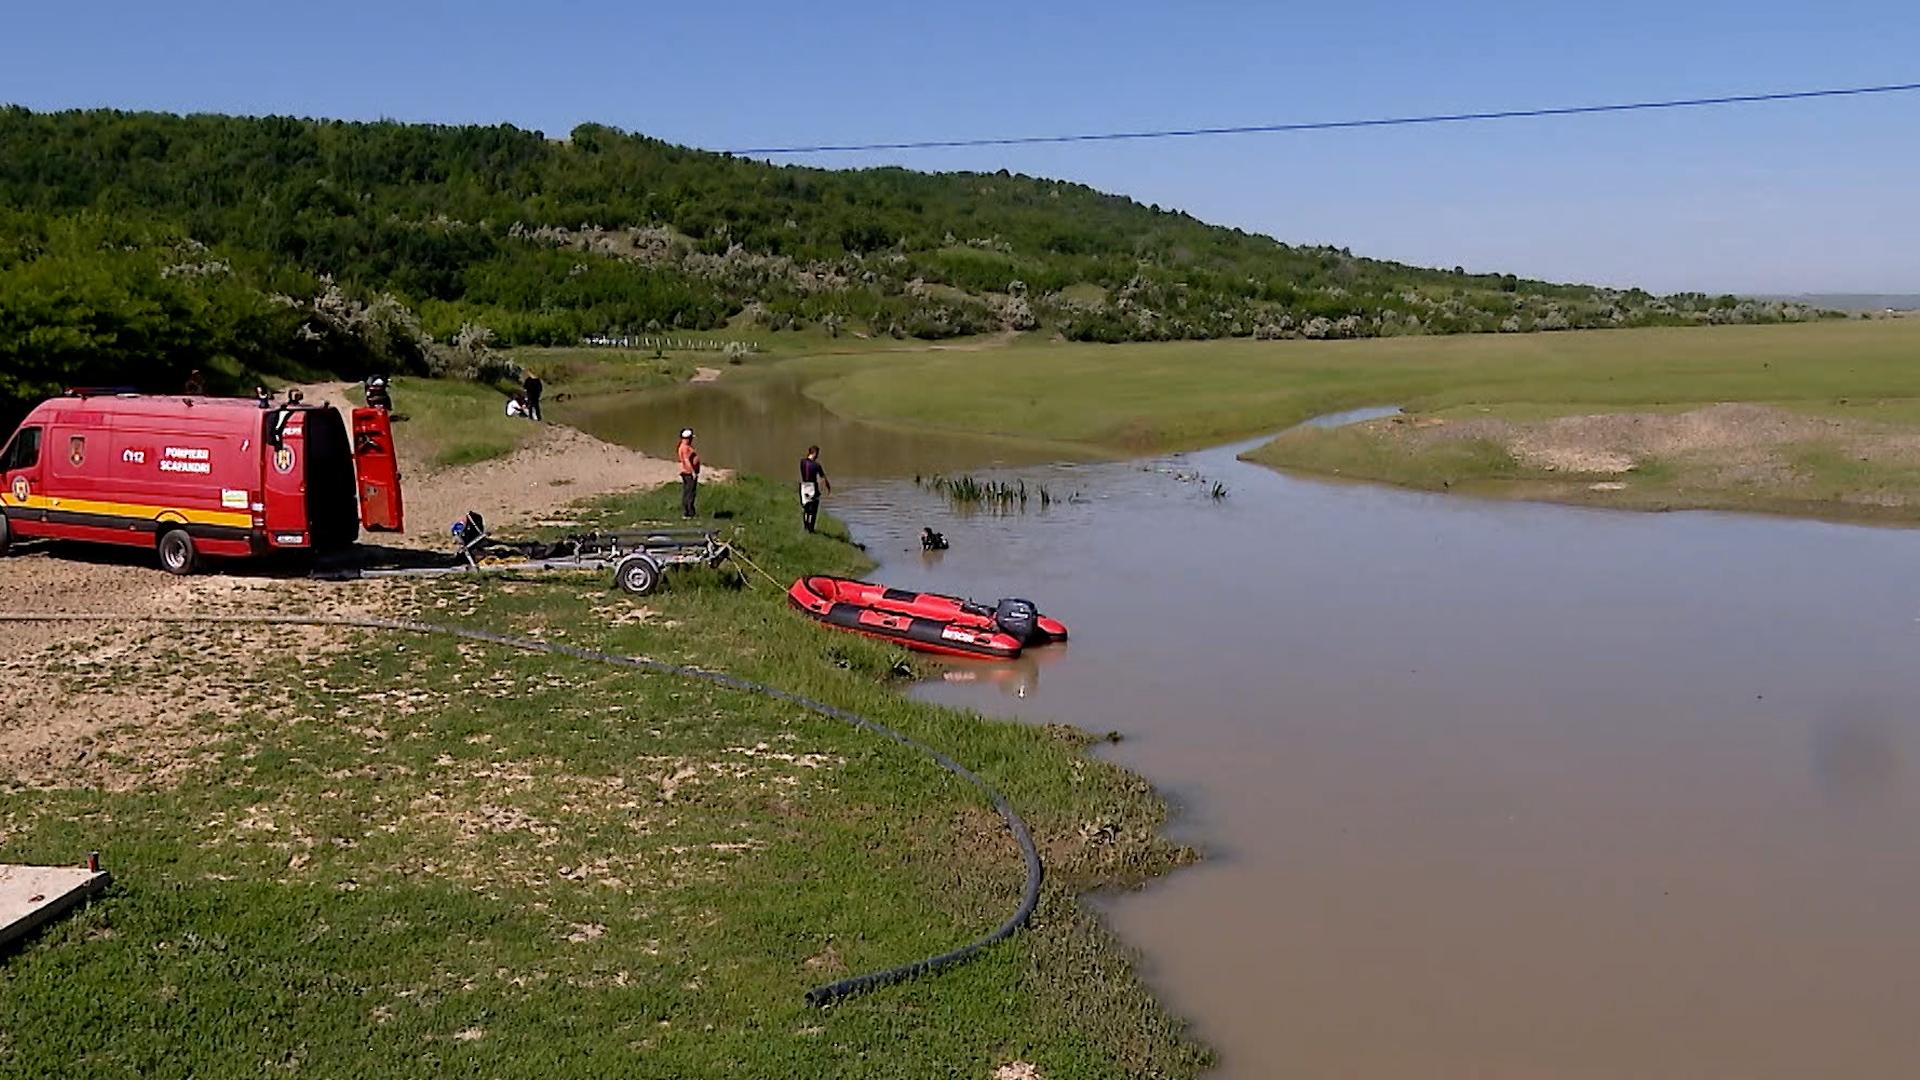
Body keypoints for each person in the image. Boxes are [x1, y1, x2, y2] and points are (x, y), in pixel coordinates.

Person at [799, 445, 830, 533]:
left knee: (806, 507)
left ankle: (805, 527)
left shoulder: (802, 462)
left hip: (803, 486)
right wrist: (828, 487)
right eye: (817, 454)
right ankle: (811, 529)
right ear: (815, 453)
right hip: (812, 487)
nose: (817, 456)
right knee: (813, 509)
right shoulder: (817, 465)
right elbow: (823, 477)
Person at [677, 428, 701, 518]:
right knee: (690, 493)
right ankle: (689, 512)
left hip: (686, 472)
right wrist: (693, 472)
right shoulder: (685, 448)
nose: (692, 440)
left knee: (688, 492)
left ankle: (688, 512)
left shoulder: (683, 447)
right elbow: (687, 461)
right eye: (691, 438)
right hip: (688, 473)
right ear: (687, 438)